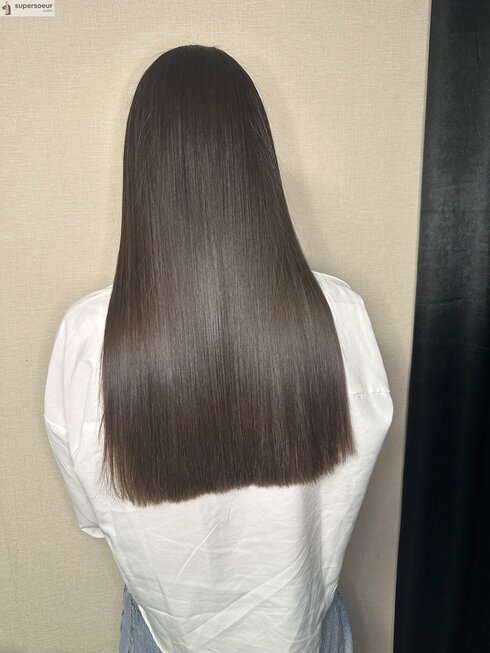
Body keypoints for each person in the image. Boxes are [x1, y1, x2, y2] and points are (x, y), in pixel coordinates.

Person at [43, 45, 394, 653]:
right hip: (304, 632)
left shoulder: (86, 338)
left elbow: (96, 519)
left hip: (167, 637)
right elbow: (351, 477)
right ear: (258, 160)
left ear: (141, 169)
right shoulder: (339, 314)